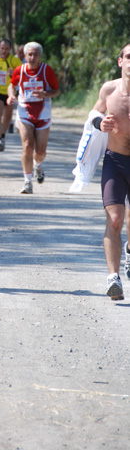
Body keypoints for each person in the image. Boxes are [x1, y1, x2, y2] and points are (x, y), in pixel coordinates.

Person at [90, 42, 130, 301]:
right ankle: (113, 277)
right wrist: (99, 121)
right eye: (129, 57)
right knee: (115, 219)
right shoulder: (109, 89)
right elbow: (94, 112)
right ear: (120, 61)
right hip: (115, 161)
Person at [7, 41, 60, 194]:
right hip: (24, 111)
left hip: (43, 112)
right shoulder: (20, 70)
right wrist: (11, 96)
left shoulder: (46, 70)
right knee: (28, 146)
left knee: (41, 151)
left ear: (40, 56)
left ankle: (38, 165)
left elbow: (56, 91)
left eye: (35, 54)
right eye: (30, 54)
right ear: (25, 55)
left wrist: (45, 94)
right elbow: (12, 85)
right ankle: (27, 182)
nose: (32, 57)